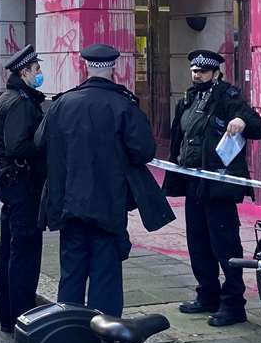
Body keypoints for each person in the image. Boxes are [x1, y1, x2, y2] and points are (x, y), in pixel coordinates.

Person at [36, 43, 173, 318]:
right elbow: (144, 150)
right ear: (113, 68)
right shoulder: (123, 104)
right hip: (108, 206)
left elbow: (40, 142)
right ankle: (105, 341)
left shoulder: (63, 103)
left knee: (71, 277)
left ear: (86, 66)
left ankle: (68, 334)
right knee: (106, 279)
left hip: (70, 205)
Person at [166, 49, 261, 328]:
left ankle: (234, 304)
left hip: (219, 184)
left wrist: (242, 121)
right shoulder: (188, 98)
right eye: (195, 71)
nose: (198, 75)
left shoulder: (228, 97)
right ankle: (207, 294)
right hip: (193, 181)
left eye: (204, 72)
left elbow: (258, 125)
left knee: (225, 244)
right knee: (198, 243)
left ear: (216, 73)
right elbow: (180, 137)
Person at [0, 44, 47, 334]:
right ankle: (22, 315)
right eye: (37, 70)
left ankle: (10, 315)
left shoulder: (10, 98)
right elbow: (18, 146)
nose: (41, 74)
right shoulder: (21, 103)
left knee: (10, 251)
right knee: (24, 253)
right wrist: (44, 142)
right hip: (21, 184)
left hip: (11, 184)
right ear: (25, 71)